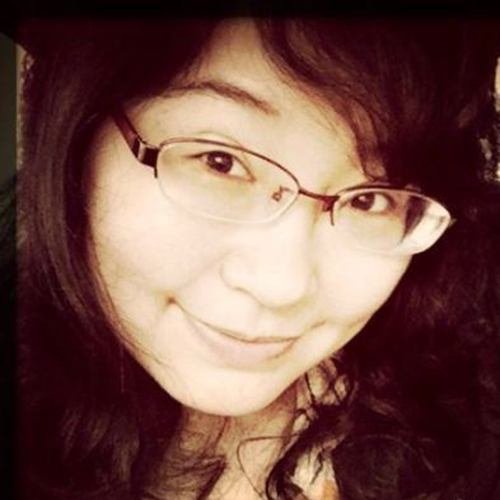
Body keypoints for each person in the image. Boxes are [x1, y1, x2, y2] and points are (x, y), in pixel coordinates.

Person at [14, 16, 500, 500]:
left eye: (371, 200)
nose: (282, 286)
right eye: (220, 162)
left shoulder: (469, 415)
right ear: (76, 136)